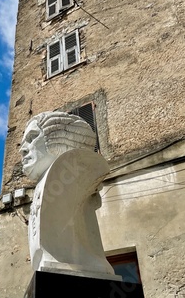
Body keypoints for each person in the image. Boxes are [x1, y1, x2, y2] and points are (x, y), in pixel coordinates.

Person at [20, 111, 119, 280]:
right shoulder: (44, 182)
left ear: (57, 137)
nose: (23, 150)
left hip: (80, 268)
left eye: (32, 137)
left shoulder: (74, 169)